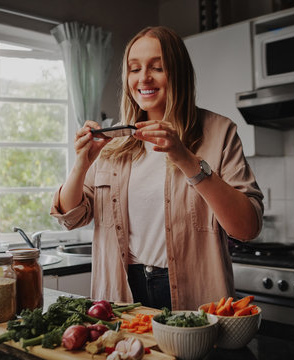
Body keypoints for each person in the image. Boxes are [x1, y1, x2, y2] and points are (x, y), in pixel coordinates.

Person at [50, 26, 263, 310]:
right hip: (121, 292)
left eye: (157, 67)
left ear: (178, 73)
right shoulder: (113, 142)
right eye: (134, 69)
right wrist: (81, 165)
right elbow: (71, 218)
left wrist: (186, 159)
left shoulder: (220, 132)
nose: (143, 78)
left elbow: (247, 228)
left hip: (194, 295)